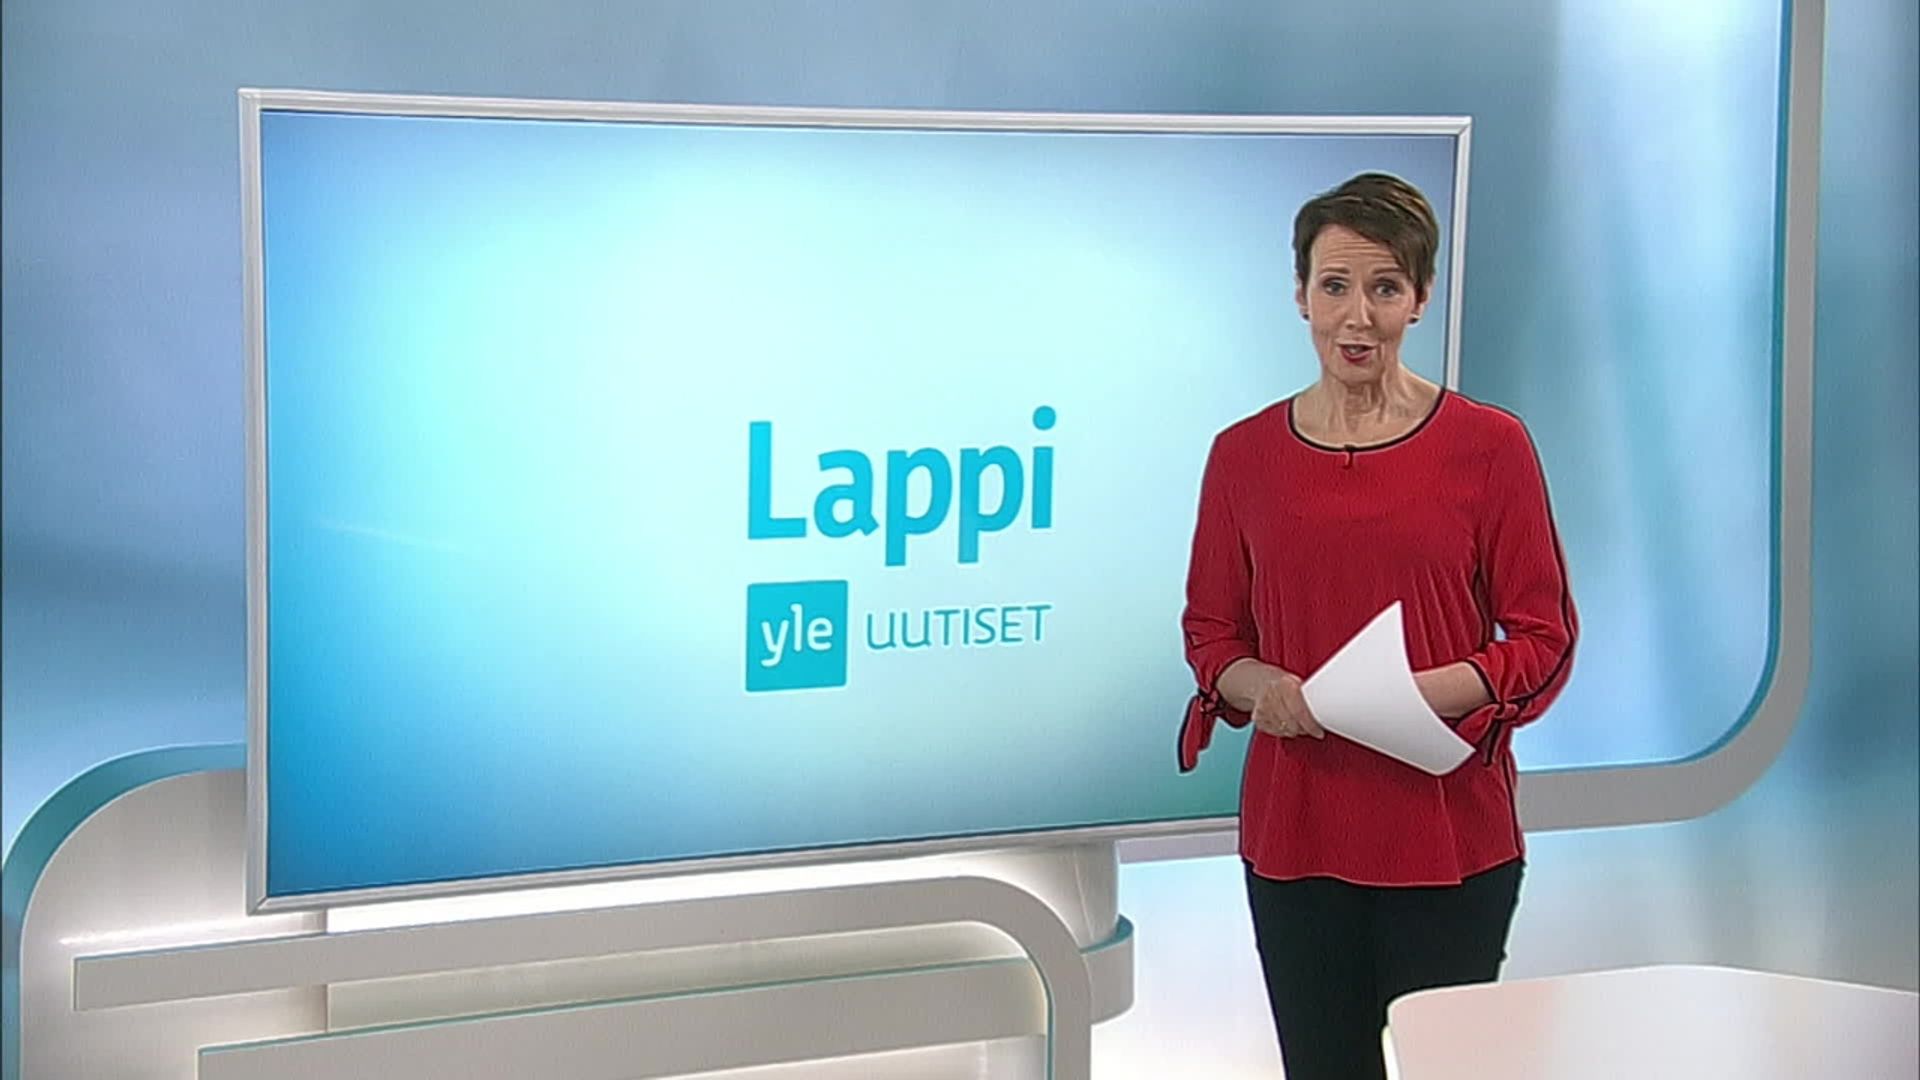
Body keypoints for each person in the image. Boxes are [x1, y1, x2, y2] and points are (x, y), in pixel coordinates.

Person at [1177, 172, 1578, 1080]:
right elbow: (1211, 635)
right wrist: (1263, 687)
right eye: (1335, 287)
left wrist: (1418, 694)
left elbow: (1541, 637)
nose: (1356, 317)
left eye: (1385, 288)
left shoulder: (1491, 447)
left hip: (1448, 837)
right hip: (1298, 840)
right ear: (1300, 296)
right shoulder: (1242, 457)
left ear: (1420, 298)